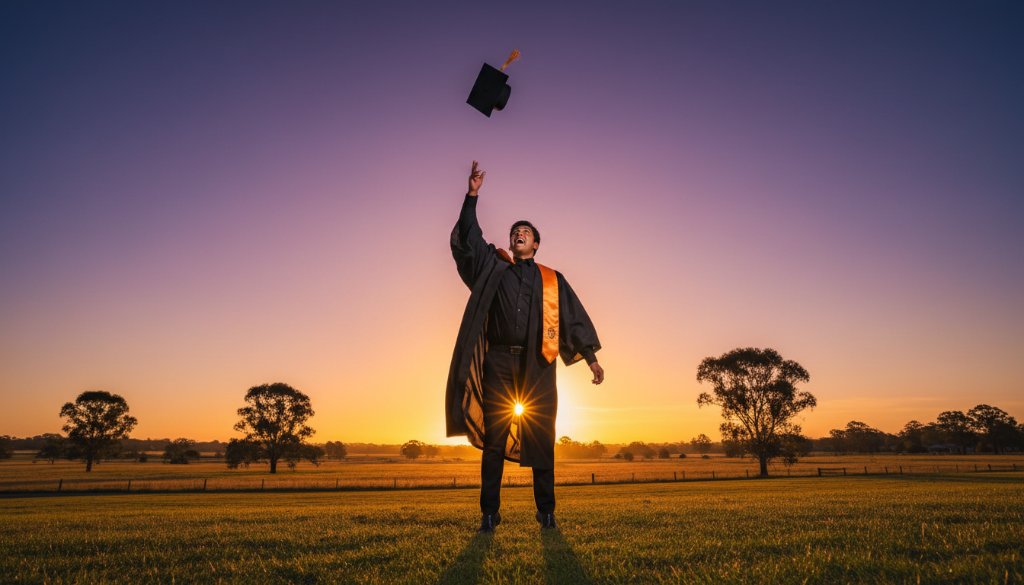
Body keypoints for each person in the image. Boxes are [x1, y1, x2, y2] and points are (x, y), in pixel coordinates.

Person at [445, 160, 604, 532]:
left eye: (526, 231)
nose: (519, 233)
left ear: (536, 243)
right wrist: (472, 196)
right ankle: (489, 513)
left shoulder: (553, 280)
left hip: (539, 365)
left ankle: (546, 511)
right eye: (515, 230)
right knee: (495, 441)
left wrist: (591, 360)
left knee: (542, 437)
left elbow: (572, 317)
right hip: (499, 363)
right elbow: (468, 241)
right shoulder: (493, 268)